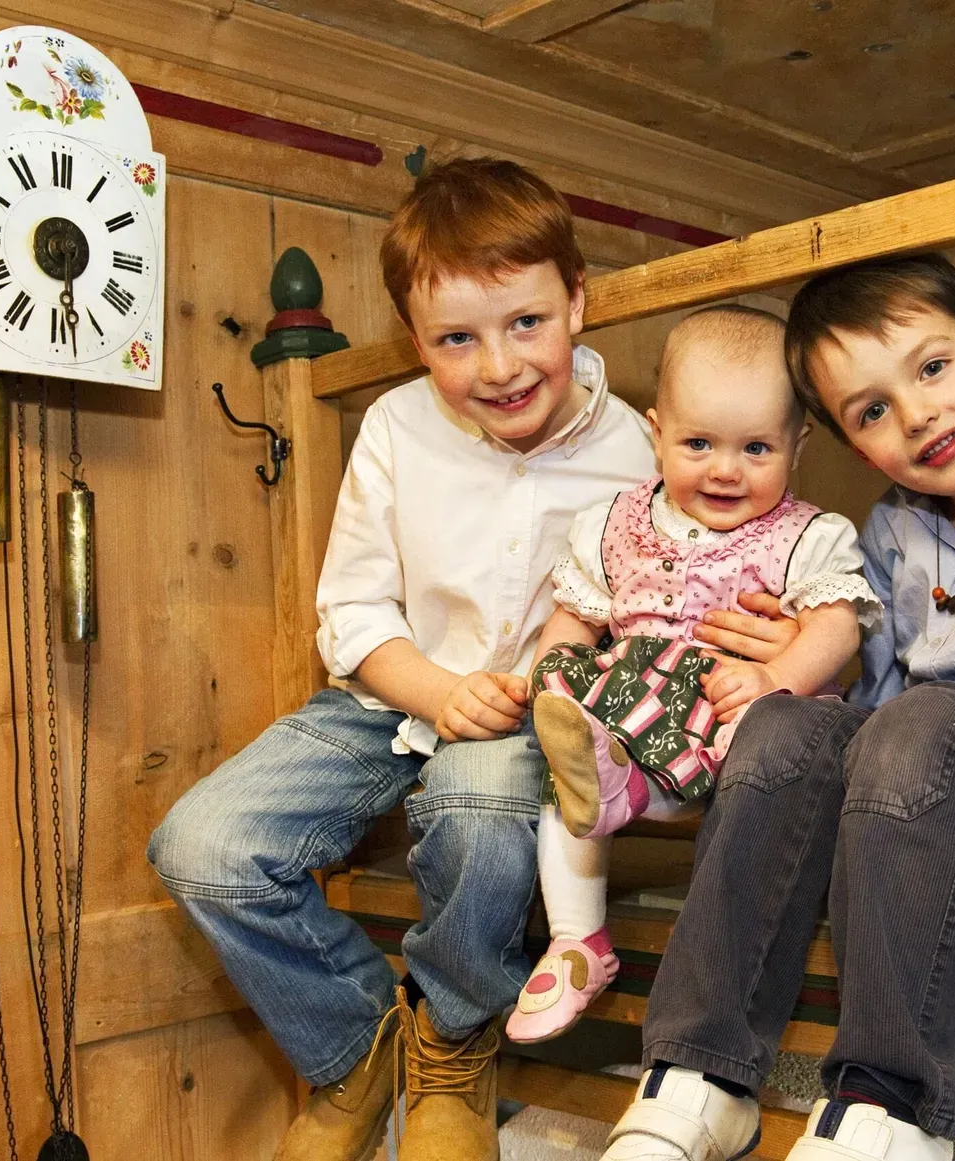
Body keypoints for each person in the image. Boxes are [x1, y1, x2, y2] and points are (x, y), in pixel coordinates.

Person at [146, 157, 795, 1161]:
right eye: (457, 339)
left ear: (575, 305)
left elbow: (685, 591)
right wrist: (437, 690)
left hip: (541, 710)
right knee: (204, 848)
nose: (497, 366)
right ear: (418, 341)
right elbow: (353, 607)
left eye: (524, 323)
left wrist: (763, 639)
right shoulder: (399, 429)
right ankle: (356, 1050)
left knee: (484, 807)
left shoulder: (643, 451)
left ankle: (452, 1040)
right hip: (391, 693)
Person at [598, 223, 955, 1161]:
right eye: (870, 411)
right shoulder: (889, 530)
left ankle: (890, 1104)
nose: (915, 415)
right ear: (847, 443)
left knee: (924, 722)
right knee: (792, 722)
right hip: (925, 809)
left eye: (933, 366)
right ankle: (700, 1073)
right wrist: (796, 665)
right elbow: (870, 708)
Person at [507, 306, 879, 1045]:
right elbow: (578, 615)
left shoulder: (805, 535)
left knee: (753, 737)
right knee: (569, 755)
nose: (724, 469)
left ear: (798, 446)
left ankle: (625, 783)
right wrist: (550, 666)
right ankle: (577, 939)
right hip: (629, 702)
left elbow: (836, 626)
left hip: (731, 705)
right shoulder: (613, 522)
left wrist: (776, 671)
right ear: (656, 433)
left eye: (756, 448)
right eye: (698, 442)